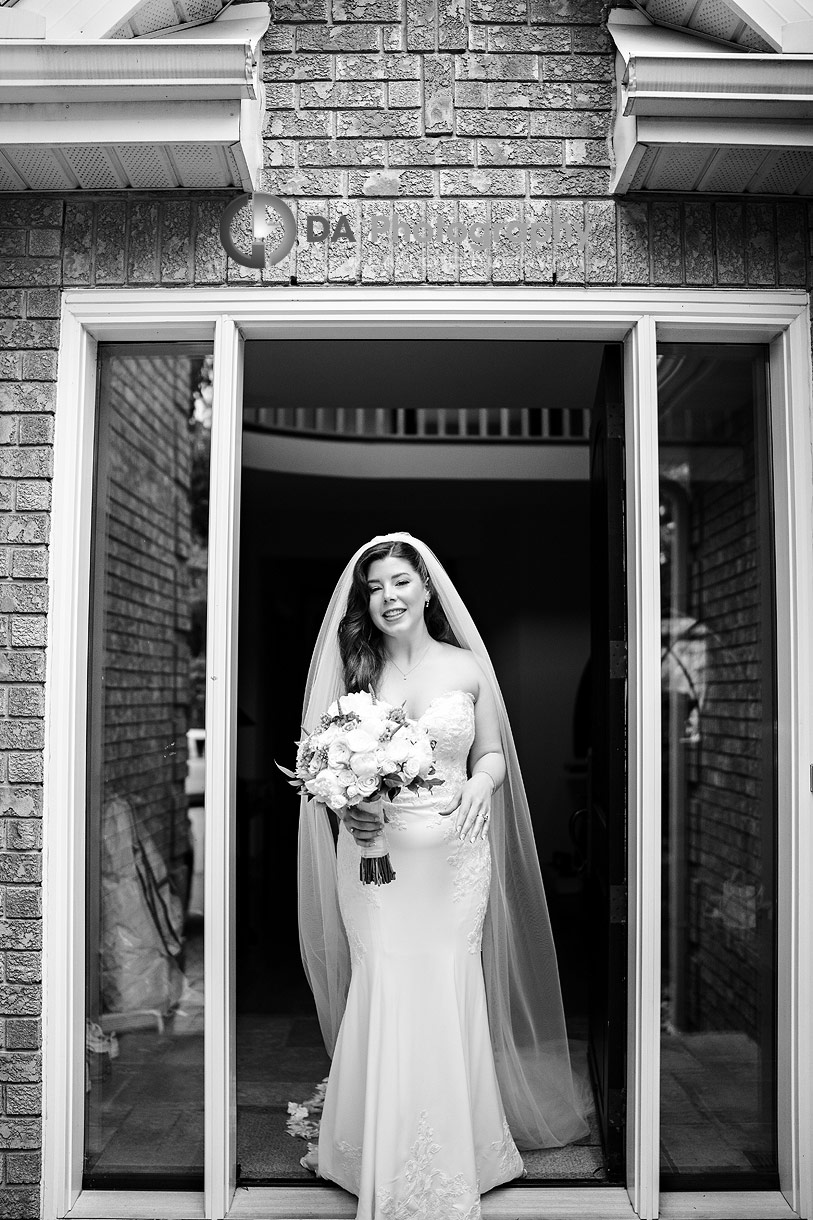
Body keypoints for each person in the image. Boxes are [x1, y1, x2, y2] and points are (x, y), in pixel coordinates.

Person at [297, 532, 590, 1219]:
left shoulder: (466, 666)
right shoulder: (353, 671)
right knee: (388, 981)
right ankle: (371, 1149)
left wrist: (479, 788)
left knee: (446, 983)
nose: (387, 597)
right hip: (377, 859)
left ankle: (462, 1148)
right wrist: (351, 808)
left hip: (456, 856)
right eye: (373, 587)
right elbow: (318, 766)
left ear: (428, 588)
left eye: (399, 582)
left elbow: (490, 754)